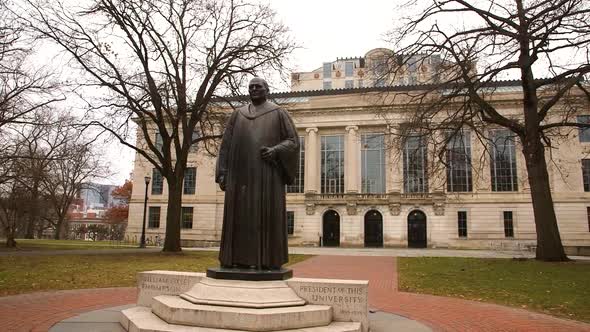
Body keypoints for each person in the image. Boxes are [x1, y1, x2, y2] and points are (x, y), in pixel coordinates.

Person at [215, 77, 299, 270]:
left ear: (266, 89)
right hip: (239, 177)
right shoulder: (238, 115)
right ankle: (235, 259)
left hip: (267, 175)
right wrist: (222, 172)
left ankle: (267, 260)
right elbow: (225, 146)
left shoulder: (279, 113)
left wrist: (276, 150)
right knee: (239, 218)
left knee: (265, 217)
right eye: (251, 87)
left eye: (258, 86)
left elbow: (293, 141)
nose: (254, 89)